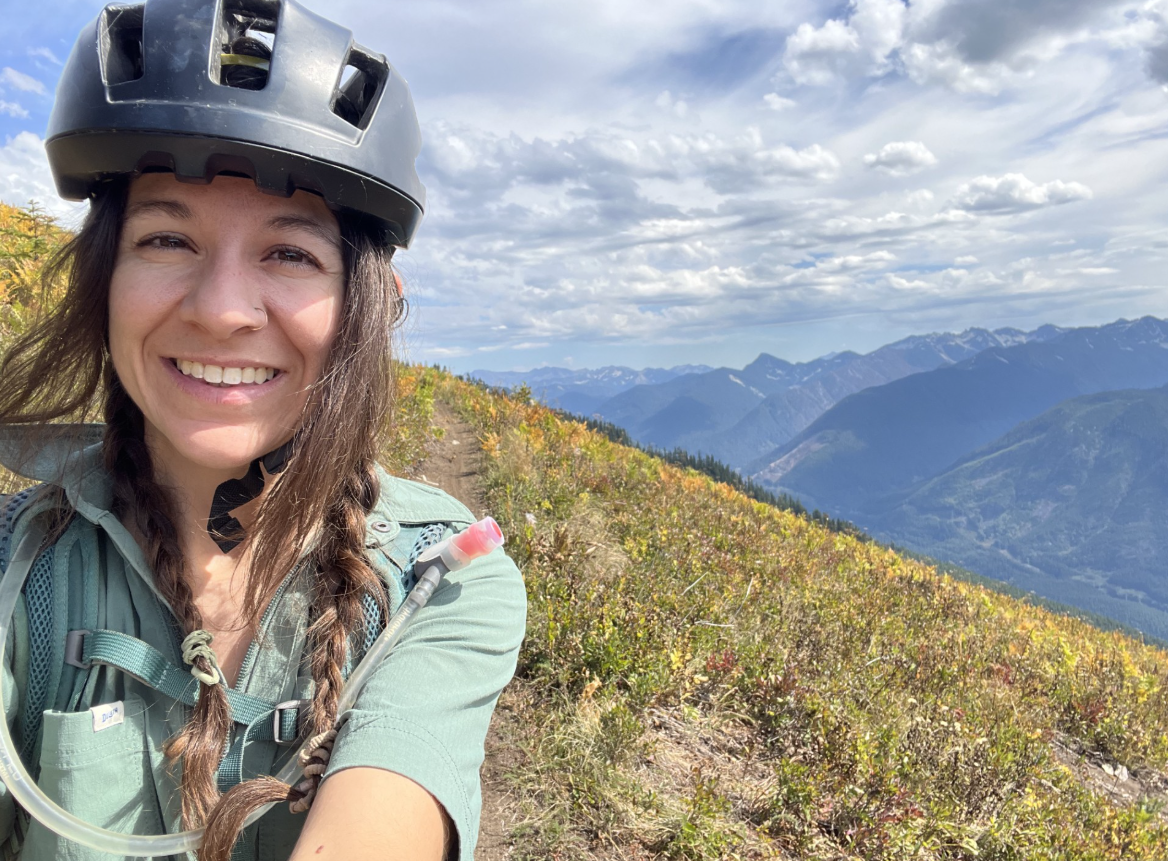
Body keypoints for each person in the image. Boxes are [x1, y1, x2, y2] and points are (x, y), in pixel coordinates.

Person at [0, 1, 526, 859]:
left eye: (289, 254)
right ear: (105, 277)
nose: (220, 311)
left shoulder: (442, 580)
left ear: (368, 308)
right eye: (167, 237)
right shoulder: (19, 573)